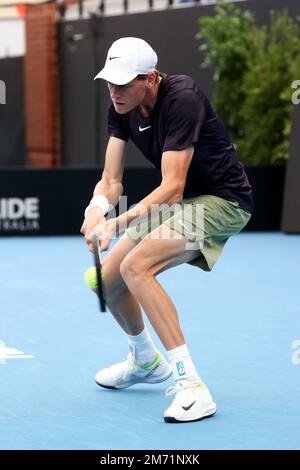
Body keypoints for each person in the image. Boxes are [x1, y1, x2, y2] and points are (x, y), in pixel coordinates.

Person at [81, 37, 253, 423]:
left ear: (151, 77)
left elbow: (173, 186)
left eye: (124, 84)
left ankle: (192, 386)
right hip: (180, 203)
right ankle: (145, 362)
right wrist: (96, 209)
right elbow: (111, 181)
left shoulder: (182, 97)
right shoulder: (120, 106)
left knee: (136, 267)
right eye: (110, 83)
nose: (115, 92)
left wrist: (116, 222)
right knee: (106, 282)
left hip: (223, 200)